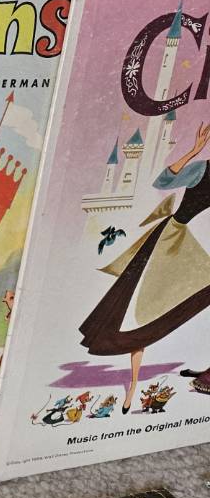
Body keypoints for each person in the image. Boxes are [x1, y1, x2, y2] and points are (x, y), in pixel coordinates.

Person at [82, 119, 210, 411]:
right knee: (135, 312)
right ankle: (131, 389)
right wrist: (193, 151)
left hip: (193, 252)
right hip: (170, 240)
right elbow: (162, 182)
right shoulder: (202, 169)